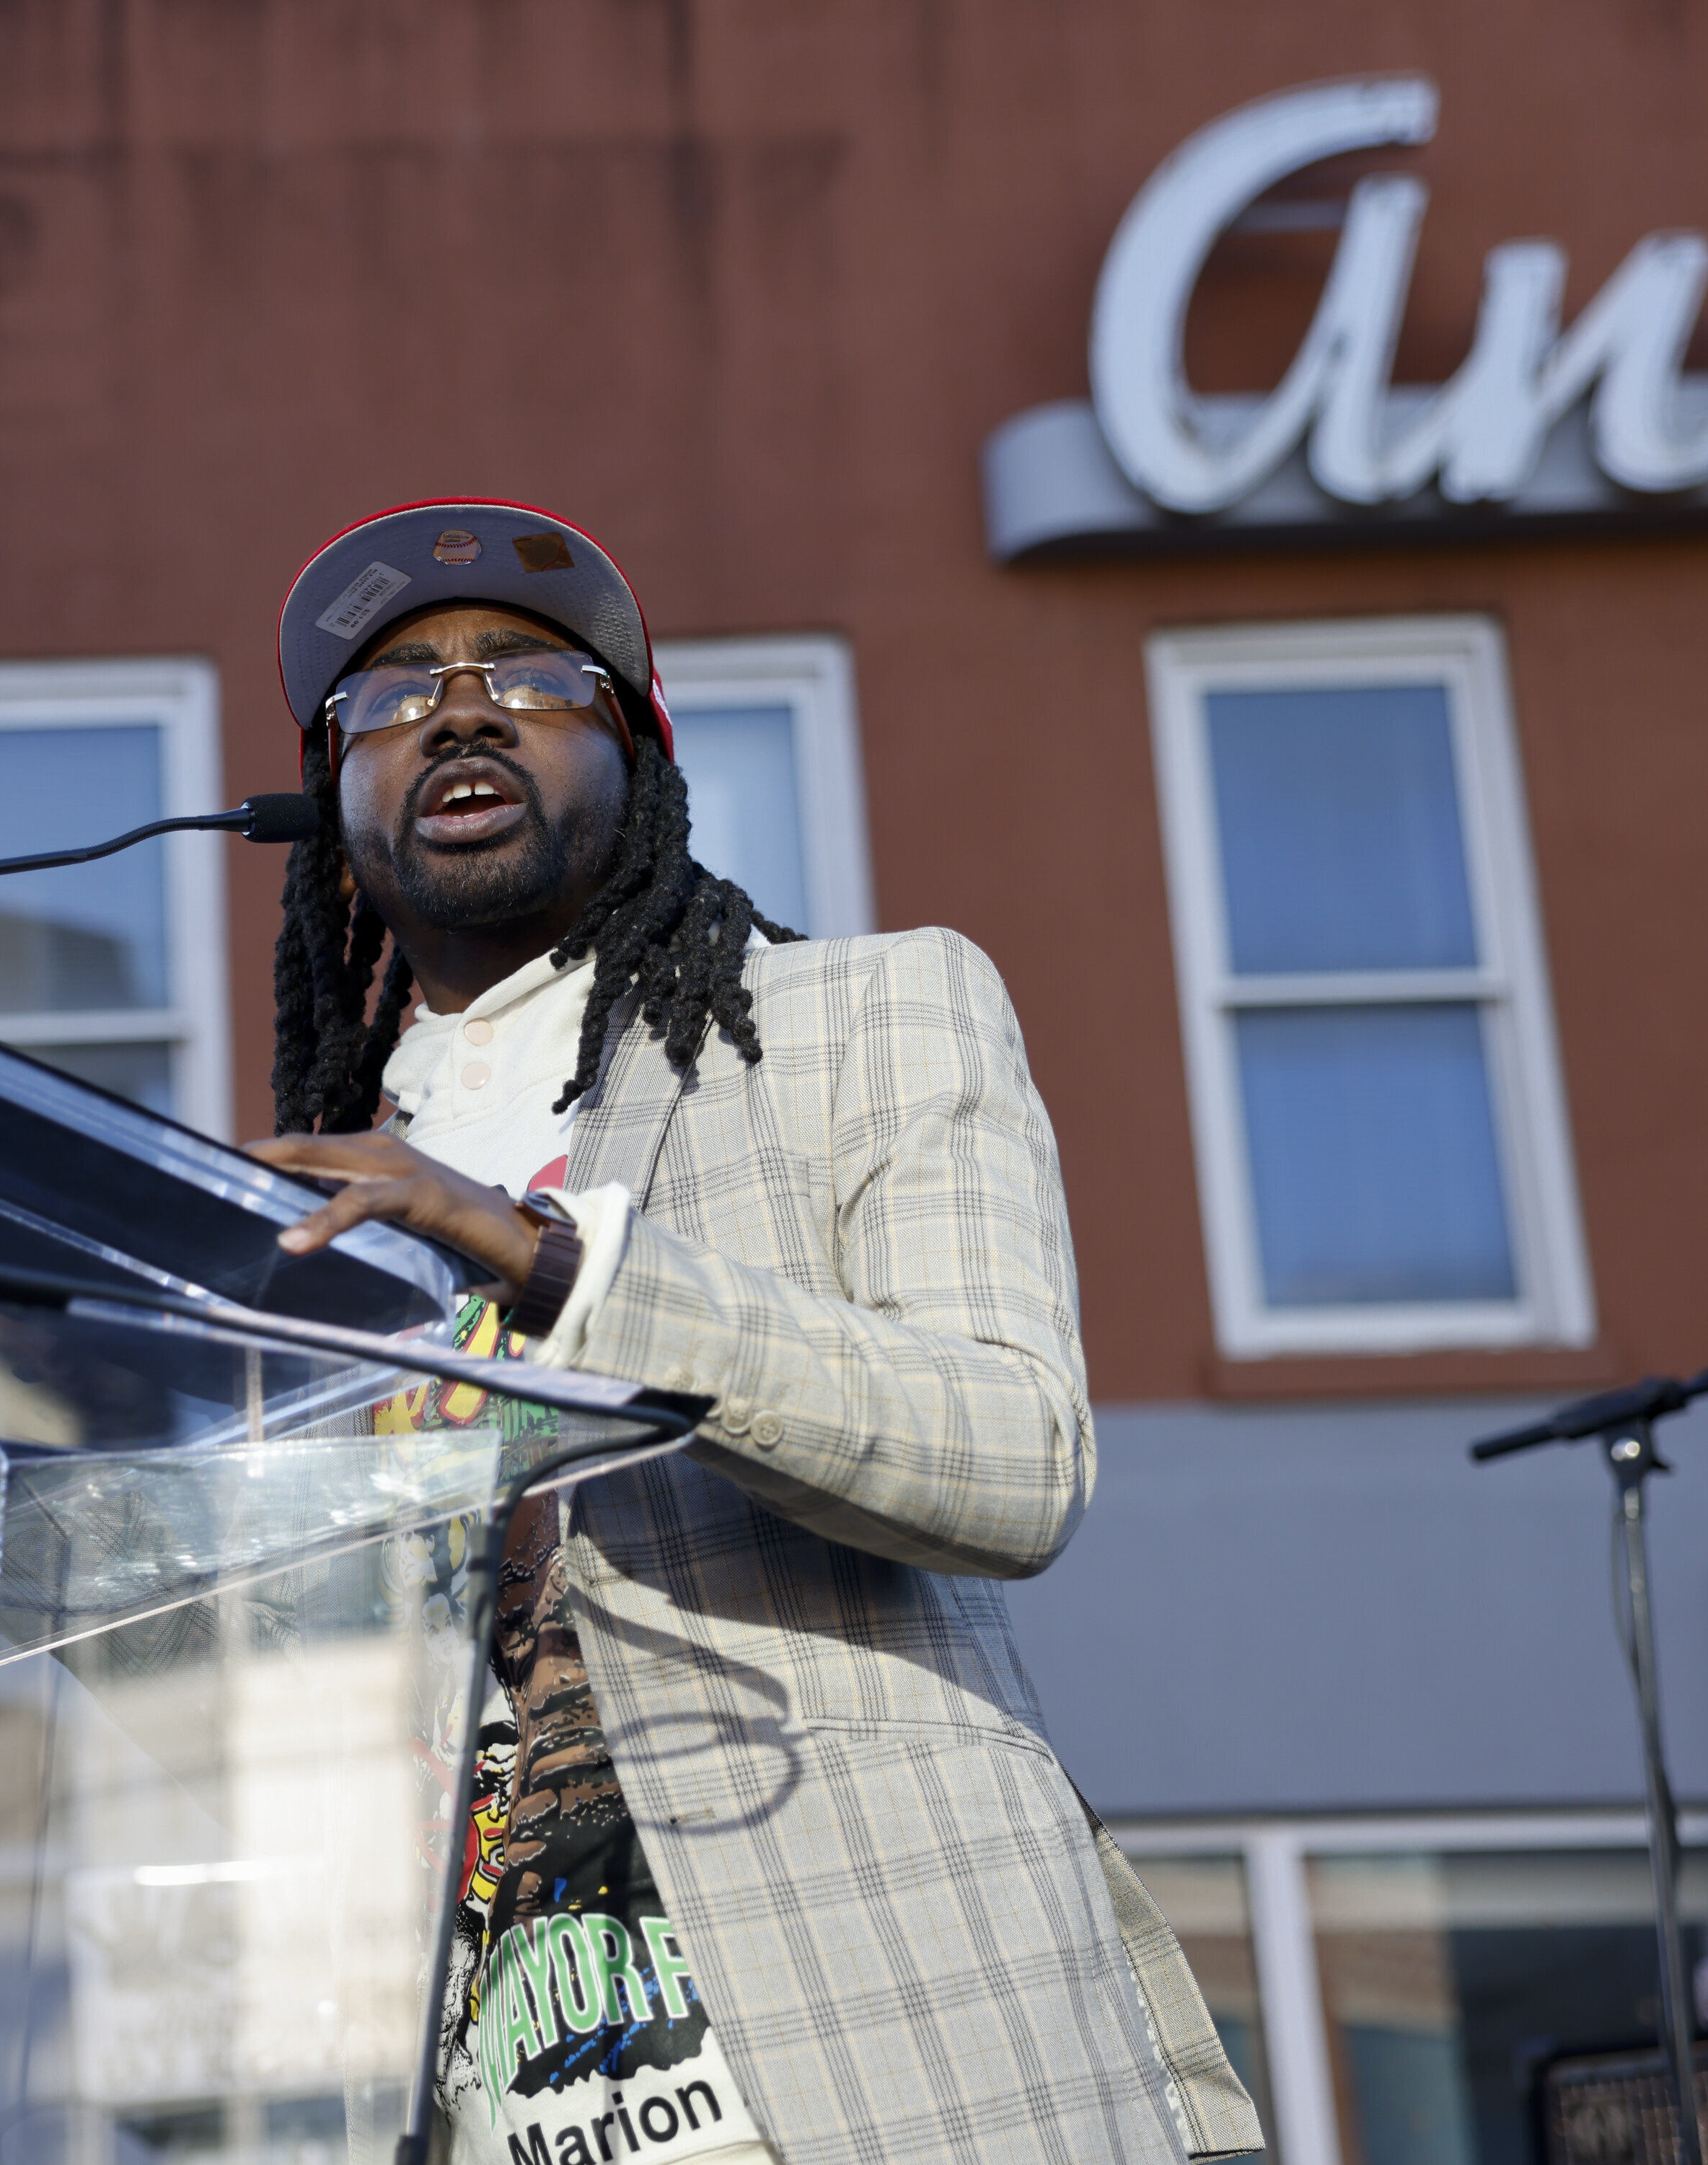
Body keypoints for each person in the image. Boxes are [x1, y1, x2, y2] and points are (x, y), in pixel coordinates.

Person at [247, 502, 1262, 2164]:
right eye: (390, 694)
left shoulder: (865, 1016)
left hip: (882, 2038)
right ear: (326, 804)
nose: (459, 709)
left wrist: (555, 1259)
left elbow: (1014, 1460)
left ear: (639, 748)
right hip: (482, 2090)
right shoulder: (310, 1193)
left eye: (529, 672)